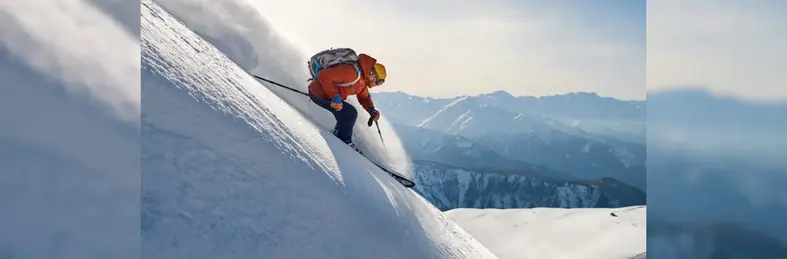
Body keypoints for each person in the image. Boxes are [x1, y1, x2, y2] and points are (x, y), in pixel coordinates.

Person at [307, 50, 386, 150]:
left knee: (348, 114)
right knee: (350, 113)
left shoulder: (362, 81)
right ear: (372, 74)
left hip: (327, 95)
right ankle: (343, 141)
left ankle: (340, 136)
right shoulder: (352, 73)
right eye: (378, 82)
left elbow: (364, 98)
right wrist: (335, 97)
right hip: (318, 93)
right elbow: (323, 76)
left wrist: (372, 110)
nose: (376, 85)